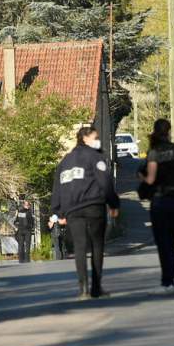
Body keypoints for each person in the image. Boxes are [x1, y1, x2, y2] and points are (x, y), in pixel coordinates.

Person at [51, 126, 120, 300]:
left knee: (80, 247)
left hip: (73, 210)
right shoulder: (95, 157)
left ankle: (83, 289)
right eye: (95, 137)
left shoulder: (64, 162)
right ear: (85, 139)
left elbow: (57, 188)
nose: (98, 141)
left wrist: (58, 212)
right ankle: (96, 288)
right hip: (93, 205)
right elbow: (105, 181)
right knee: (97, 245)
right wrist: (113, 203)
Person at [140, 119, 174, 295]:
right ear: (169, 131)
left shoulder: (154, 152)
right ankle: (171, 279)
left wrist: (141, 178)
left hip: (161, 200)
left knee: (162, 243)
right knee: (173, 242)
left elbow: (151, 179)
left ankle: (166, 280)